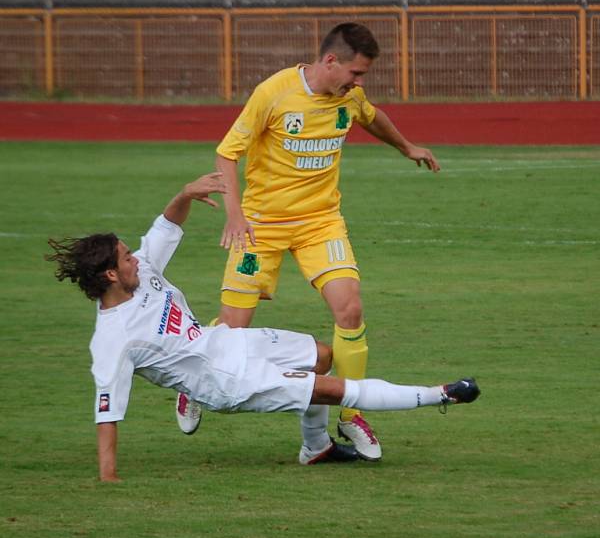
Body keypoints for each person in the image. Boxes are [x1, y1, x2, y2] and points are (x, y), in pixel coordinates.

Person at [46, 173, 479, 482]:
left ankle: (316, 449)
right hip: (226, 380)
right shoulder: (113, 339)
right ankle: (441, 394)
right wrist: (109, 478)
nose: (135, 258)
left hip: (227, 341)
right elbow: (107, 413)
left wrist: (186, 193)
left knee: (323, 357)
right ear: (108, 276)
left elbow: (167, 225)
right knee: (330, 388)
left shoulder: (143, 270)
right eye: (125, 257)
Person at [177, 22, 441, 461]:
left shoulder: (349, 97)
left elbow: (373, 117)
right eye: (355, 74)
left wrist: (406, 146)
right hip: (262, 225)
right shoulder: (274, 92)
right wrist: (236, 215)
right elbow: (228, 151)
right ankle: (191, 383)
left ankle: (351, 412)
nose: (360, 85)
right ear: (330, 60)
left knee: (350, 309)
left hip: (321, 222)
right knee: (234, 328)